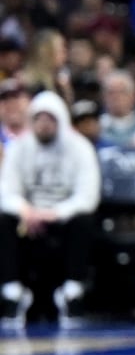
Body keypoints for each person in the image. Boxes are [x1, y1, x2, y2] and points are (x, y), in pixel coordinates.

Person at [0, 93, 101, 326]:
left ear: (61, 120)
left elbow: (88, 196)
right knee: (3, 220)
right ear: (31, 121)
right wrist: (26, 210)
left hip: (64, 218)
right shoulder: (19, 147)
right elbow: (6, 191)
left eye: (50, 119)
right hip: (29, 219)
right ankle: (12, 294)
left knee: (84, 220)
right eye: (38, 119)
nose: (44, 124)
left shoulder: (80, 147)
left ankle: (72, 293)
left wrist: (55, 212)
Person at [98, 73, 135, 148]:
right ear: (103, 97)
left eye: (122, 92)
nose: (116, 97)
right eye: (111, 92)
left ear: (133, 96)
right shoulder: (96, 128)